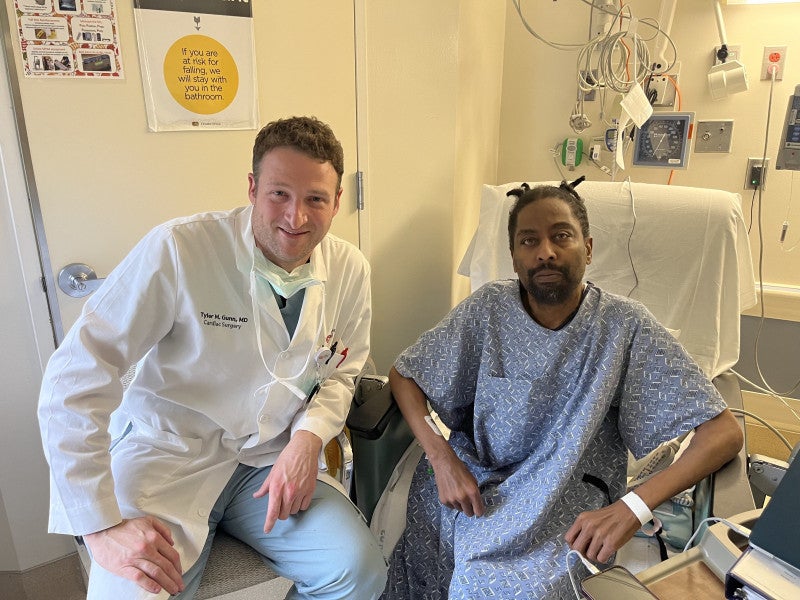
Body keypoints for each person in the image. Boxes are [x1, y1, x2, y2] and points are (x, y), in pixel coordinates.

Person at [38, 116, 387, 600]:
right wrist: (98, 526)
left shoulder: (350, 269)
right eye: (279, 194)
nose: (296, 218)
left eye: (316, 199)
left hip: (270, 459)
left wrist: (308, 439)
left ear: (338, 201)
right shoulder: (180, 249)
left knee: (358, 570)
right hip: (169, 457)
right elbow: (75, 376)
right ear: (251, 187)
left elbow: (342, 372)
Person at [381, 182, 744, 599]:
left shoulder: (624, 328)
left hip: (565, 500)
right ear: (515, 258)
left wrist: (633, 507)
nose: (545, 252)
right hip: (474, 486)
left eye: (561, 235)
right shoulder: (487, 309)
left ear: (588, 249)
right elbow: (406, 374)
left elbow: (724, 433)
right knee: (421, 574)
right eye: (528, 241)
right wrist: (440, 456)